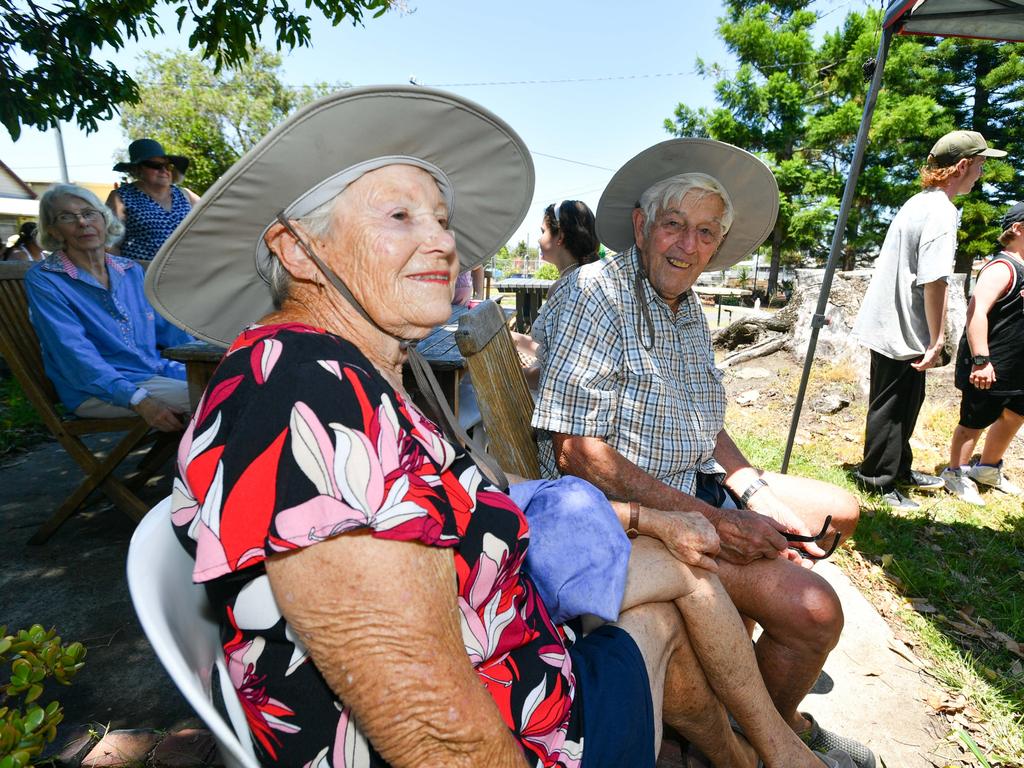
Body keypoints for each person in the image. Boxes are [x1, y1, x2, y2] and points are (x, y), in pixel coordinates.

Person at [148, 87, 854, 768]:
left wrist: (659, 513)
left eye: (443, 221)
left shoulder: (347, 374)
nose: (442, 244)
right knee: (678, 608)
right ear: (298, 251)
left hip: (512, 651)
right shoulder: (302, 396)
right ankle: (752, 753)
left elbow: (468, 507)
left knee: (677, 578)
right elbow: (435, 730)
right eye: (400, 217)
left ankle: (759, 752)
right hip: (522, 731)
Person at [532, 138, 875, 768]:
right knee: (814, 610)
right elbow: (577, 452)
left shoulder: (685, 305)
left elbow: (704, 424)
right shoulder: (594, 294)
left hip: (691, 485)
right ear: (641, 226)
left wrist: (756, 496)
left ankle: (760, 730)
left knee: (838, 511)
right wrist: (718, 520)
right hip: (625, 512)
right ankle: (748, 746)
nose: (688, 247)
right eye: (674, 225)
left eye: (706, 233)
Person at [851, 130, 1007, 509]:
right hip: (902, 326)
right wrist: (936, 338)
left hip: (893, 321)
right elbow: (934, 280)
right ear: (963, 165)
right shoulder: (941, 211)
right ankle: (877, 480)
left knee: (906, 401)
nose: (981, 174)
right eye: (981, 165)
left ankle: (899, 469)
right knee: (891, 406)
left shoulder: (921, 201)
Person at [24, 184, 191, 431]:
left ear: (105, 220)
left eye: (90, 213)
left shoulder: (130, 270)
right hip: (96, 389)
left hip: (152, 372)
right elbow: (73, 354)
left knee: (243, 380)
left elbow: (170, 330)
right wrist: (140, 401)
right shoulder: (46, 279)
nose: (82, 222)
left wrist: (208, 360)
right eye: (67, 217)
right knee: (221, 396)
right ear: (54, 231)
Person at [941, 202, 1024, 505]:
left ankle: (987, 469)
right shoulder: (1002, 268)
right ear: (1017, 228)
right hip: (990, 365)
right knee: (974, 422)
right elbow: (976, 314)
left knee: (1014, 416)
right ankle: (955, 473)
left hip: (1018, 367)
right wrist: (981, 360)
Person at [516, 200, 601, 388]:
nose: (539, 239)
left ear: (560, 236)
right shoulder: (583, 280)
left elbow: (553, 374)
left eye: (542, 231)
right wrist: (512, 338)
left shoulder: (567, 287)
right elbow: (553, 350)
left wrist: (506, 375)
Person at [106, 139, 201, 261]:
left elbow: (213, 223)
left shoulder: (185, 195)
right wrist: (124, 276)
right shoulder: (121, 197)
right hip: (144, 276)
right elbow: (110, 245)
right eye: (155, 166)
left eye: (168, 166)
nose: (164, 170)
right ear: (138, 169)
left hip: (188, 271)